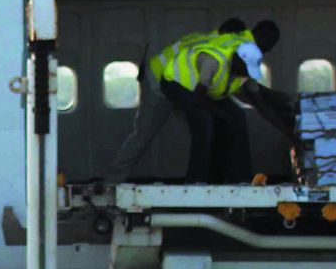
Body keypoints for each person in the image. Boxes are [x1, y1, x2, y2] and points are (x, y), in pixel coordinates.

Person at [107, 20, 295, 185]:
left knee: (219, 121)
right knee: (145, 135)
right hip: (160, 81)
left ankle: (215, 179)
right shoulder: (238, 50)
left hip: (187, 84)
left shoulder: (237, 46)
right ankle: (113, 183)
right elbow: (249, 92)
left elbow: (243, 88)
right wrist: (280, 99)